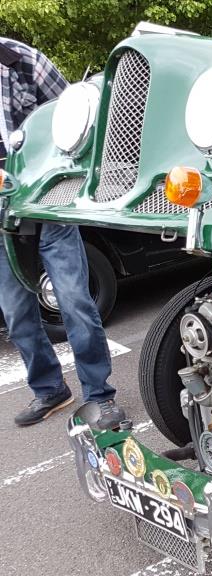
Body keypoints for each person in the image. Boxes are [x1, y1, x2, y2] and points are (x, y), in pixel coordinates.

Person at [0, 37, 126, 429]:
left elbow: (73, 117)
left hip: (45, 197)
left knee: (73, 300)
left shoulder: (21, 59)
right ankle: (50, 389)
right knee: (15, 311)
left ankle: (100, 396)